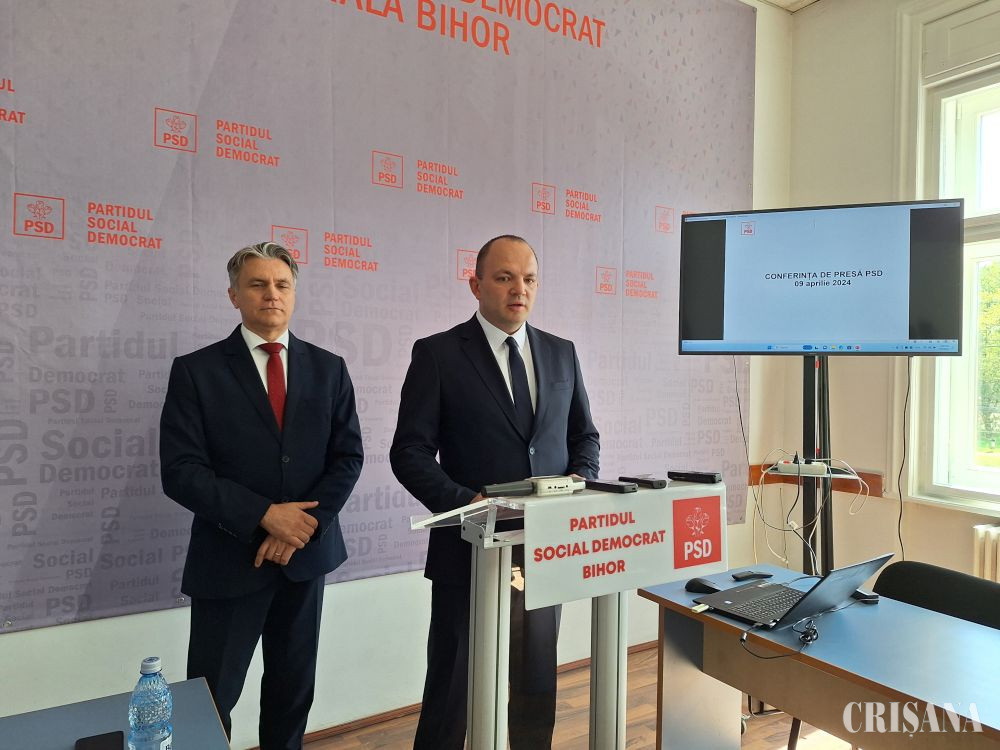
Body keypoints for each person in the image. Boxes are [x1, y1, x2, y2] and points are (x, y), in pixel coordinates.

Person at [390, 234, 600, 749]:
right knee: (453, 687)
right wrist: (465, 504)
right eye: (504, 278)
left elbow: (584, 437)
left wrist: (579, 478)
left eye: (528, 279)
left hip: (544, 547)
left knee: (535, 681)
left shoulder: (561, 353)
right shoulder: (438, 354)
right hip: (470, 546)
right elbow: (409, 452)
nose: (518, 289)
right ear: (476, 284)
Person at [159, 242, 364, 750]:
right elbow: (181, 472)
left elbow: (347, 458)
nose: (271, 294)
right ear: (234, 295)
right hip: (228, 562)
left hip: (304, 560)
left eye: (281, 284)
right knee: (210, 701)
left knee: (292, 694)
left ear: (294, 293)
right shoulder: (197, 371)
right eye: (257, 284)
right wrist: (264, 517)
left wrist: (299, 529)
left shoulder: (329, 368)